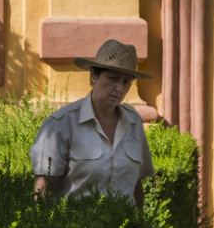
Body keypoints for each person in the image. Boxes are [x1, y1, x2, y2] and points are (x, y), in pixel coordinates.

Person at [30, 38, 153, 204]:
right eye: (113, 78)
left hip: (125, 227)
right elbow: (44, 190)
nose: (119, 88)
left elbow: (136, 185)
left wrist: (140, 226)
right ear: (94, 76)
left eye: (126, 82)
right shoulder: (62, 124)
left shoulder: (133, 123)